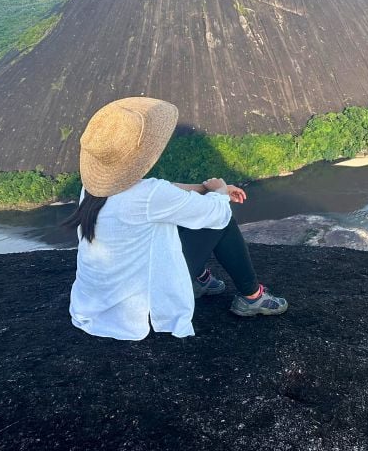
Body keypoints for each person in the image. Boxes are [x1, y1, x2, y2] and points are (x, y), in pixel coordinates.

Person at [66, 96, 287, 341]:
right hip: (143, 305)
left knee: (179, 218)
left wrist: (204, 188)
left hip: (97, 302)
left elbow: (164, 190)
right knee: (222, 221)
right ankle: (252, 297)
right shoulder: (148, 196)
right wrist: (220, 191)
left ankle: (201, 280)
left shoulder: (92, 189)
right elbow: (216, 213)